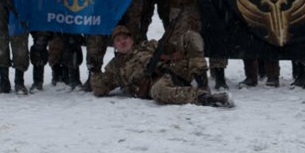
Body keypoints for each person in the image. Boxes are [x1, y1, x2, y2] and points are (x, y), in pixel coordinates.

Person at [90, 26, 233, 107]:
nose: (123, 42)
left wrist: (172, 54)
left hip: (174, 69)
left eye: (125, 38)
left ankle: (202, 83)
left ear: (132, 40)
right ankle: (206, 98)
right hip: (156, 83)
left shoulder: (148, 45)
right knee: (159, 91)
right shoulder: (114, 67)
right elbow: (99, 88)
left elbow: (172, 49)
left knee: (191, 36)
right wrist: (95, 72)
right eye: (118, 40)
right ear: (114, 46)